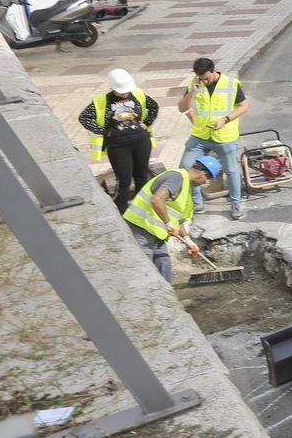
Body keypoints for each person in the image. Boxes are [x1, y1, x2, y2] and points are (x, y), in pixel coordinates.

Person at [123, 156, 218, 282]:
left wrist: (189, 242)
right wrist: (168, 223)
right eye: (206, 180)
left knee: (163, 263)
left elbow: (178, 221)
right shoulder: (176, 177)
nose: (204, 183)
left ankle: (166, 297)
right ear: (203, 174)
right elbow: (157, 200)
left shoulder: (186, 187)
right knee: (145, 267)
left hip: (157, 232)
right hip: (141, 227)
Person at [177, 57, 250, 220]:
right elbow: (182, 108)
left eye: (206, 77)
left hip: (224, 136)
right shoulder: (194, 84)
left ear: (214, 70)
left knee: (231, 170)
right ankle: (197, 202)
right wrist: (192, 93)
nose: (204, 81)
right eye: (201, 78)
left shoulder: (231, 84)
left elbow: (244, 106)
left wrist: (225, 119)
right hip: (200, 136)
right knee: (186, 167)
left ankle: (235, 203)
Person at [79, 68, 158, 213]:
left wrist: (146, 122)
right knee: (124, 181)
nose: (124, 93)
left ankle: (142, 209)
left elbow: (153, 106)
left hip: (141, 141)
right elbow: (84, 117)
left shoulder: (137, 94)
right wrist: (104, 132)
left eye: (126, 90)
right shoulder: (102, 101)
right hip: (118, 146)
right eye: (121, 91)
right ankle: (121, 211)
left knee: (141, 177)